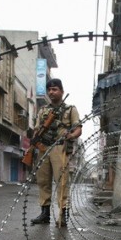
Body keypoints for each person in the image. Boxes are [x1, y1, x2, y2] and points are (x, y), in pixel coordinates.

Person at [30, 78, 82, 227]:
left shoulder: (70, 109)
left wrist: (71, 136)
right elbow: (36, 129)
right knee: (43, 181)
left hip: (60, 147)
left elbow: (78, 128)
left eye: (55, 89)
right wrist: (33, 145)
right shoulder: (43, 111)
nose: (51, 92)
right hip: (43, 148)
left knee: (62, 182)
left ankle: (63, 215)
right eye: (49, 89)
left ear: (61, 91)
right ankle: (45, 214)